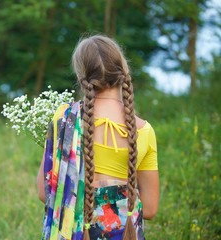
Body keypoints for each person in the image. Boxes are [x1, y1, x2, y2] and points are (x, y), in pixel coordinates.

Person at [37, 35, 159, 240]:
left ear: (81, 74)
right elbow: (150, 209)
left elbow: (45, 192)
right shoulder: (144, 131)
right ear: (123, 71)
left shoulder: (65, 119)